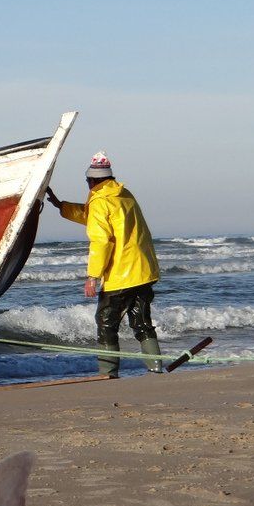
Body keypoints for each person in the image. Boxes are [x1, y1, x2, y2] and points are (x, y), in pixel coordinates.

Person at [47, 151, 162, 377]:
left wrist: (92, 277)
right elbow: (96, 217)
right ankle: (156, 368)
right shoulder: (123, 194)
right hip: (143, 270)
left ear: (92, 181)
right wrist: (61, 206)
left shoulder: (99, 201)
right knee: (141, 322)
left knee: (106, 323)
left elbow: (101, 241)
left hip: (120, 274)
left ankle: (108, 372)